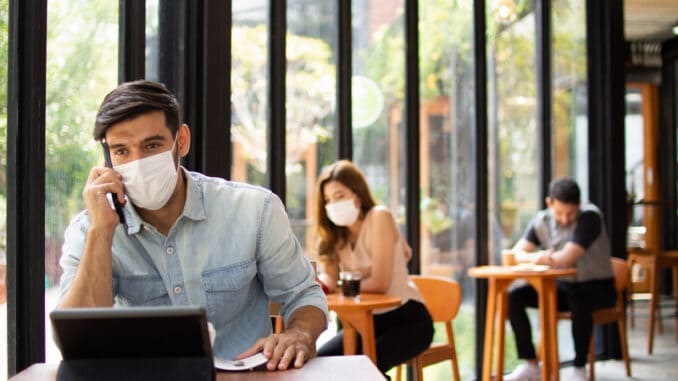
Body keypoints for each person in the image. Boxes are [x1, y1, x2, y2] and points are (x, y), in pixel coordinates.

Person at [57, 80, 328, 370]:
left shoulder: (254, 210)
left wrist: (298, 333)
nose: (137, 162)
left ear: (181, 140)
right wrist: (101, 233)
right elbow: (78, 341)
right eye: (121, 151)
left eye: (151, 145)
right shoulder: (90, 228)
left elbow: (304, 295)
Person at [313, 160, 433, 375]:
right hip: (361, 324)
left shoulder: (379, 217)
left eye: (339, 196)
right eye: (328, 200)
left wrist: (339, 288)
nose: (333, 204)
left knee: (364, 369)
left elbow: (380, 283)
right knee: (321, 364)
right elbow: (329, 281)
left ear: (357, 195)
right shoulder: (334, 238)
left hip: (406, 319)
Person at [504, 177, 616, 381]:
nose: (565, 219)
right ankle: (531, 364)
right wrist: (537, 257)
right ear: (549, 203)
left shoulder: (590, 217)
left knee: (579, 298)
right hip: (564, 288)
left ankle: (579, 367)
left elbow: (568, 257)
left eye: (570, 213)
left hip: (598, 288)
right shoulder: (542, 220)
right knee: (513, 297)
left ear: (579, 205)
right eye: (559, 213)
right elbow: (516, 254)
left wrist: (539, 258)